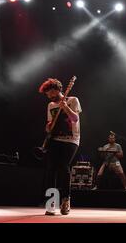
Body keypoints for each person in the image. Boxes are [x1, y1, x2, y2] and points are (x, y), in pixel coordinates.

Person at [39, 78, 82, 216]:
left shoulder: (73, 100)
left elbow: (75, 119)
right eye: (47, 94)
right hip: (55, 139)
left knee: (63, 167)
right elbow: (49, 125)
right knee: (51, 169)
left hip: (71, 139)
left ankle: (65, 200)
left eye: (50, 92)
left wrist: (65, 107)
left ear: (57, 89)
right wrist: (48, 127)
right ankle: (51, 202)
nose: (49, 96)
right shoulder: (50, 105)